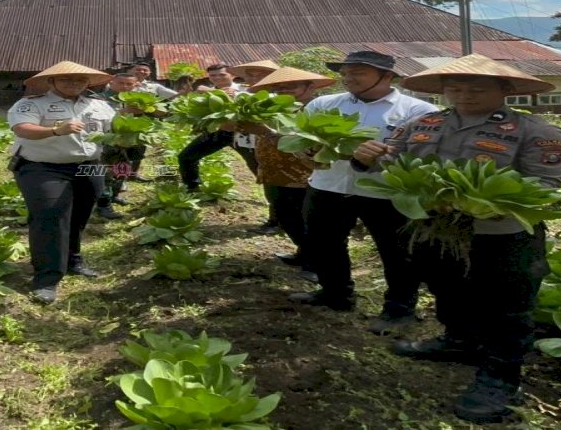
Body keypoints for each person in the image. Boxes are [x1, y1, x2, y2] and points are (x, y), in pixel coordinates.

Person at [352, 54, 561, 423]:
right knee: (445, 288)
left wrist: (483, 205)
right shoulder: (423, 122)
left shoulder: (537, 132)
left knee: (506, 306)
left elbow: (544, 188)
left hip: (500, 236)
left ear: (506, 90)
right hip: (433, 230)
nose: (463, 94)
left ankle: (500, 376)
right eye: (455, 87)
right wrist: (366, 157)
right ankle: (458, 340)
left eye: (477, 88)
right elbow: (394, 164)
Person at [287, 51, 438, 336]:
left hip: (383, 193)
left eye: (358, 72)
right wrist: (307, 152)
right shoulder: (323, 104)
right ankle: (335, 294)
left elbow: (420, 156)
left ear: (387, 76)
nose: (348, 78)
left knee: (396, 251)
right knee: (323, 243)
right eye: (345, 72)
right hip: (327, 185)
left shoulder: (416, 111)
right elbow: (302, 147)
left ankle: (399, 308)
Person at [7, 61, 115, 304]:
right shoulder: (31, 103)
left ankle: (73, 260)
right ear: (51, 81)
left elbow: (115, 129)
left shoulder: (100, 105)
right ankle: (46, 278)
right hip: (42, 167)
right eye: (66, 79)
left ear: (87, 82)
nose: (73, 84)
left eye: (79, 80)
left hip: (89, 165)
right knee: (51, 216)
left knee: (79, 215)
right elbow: (23, 129)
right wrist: (56, 129)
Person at [239, 67, 336, 274]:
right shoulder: (274, 108)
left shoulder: (320, 110)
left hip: (304, 175)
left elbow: (310, 143)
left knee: (306, 219)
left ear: (310, 86)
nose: (284, 90)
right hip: (274, 171)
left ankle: (316, 263)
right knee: (285, 215)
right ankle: (304, 252)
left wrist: (268, 133)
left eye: (291, 86)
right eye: (279, 87)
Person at [178, 63, 279, 235]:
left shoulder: (262, 92)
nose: (217, 79)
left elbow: (248, 100)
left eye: (221, 75)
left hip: (257, 140)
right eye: (213, 76)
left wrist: (214, 93)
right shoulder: (209, 91)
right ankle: (193, 186)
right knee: (186, 156)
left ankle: (277, 221)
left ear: (232, 76)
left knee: (267, 179)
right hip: (227, 134)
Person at [94, 73, 141, 219]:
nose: (125, 87)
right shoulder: (99, 99)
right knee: (106, 173)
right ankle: (103, 205)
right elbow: (97, 119)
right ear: (112, 82)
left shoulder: (132, 99)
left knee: (123, 169)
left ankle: (114, 196)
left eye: (129, 84)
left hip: (125, 141)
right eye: (121, 83)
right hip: (105, 141)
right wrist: (121, 112)